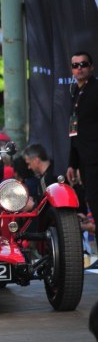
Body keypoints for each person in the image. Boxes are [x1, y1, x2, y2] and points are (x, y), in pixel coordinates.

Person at [66, 51, 98, 222]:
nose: (79, 68)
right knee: (92, 202)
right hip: (85, 160)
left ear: (91, 67)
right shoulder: (76, 92)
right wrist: (73, 163)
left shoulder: (94, 90)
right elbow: (74, 130)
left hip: (94, 157)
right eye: (75, 65)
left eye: (83, 64)